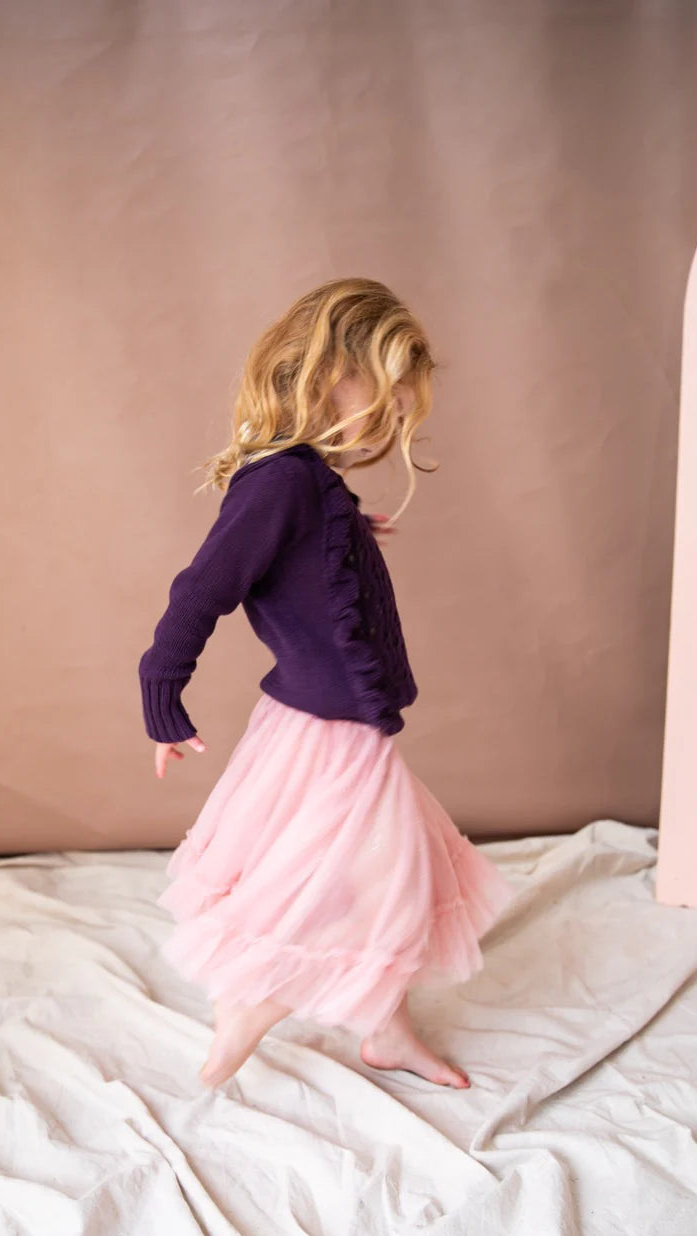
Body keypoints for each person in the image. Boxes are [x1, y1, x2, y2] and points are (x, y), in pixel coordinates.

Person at [138, 277, 516, 1091]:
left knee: (388, 868)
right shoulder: (281, 482)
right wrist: (161, 691)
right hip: (331, 723)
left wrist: (345, 527)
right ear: (316, 379)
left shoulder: (307, 484)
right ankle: (256, 1001)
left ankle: (385, 1031)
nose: (383, 427)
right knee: (367, 877)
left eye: (397, 415)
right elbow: (203, 588)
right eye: (377, 405)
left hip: (323, 717)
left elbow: (299, 556)